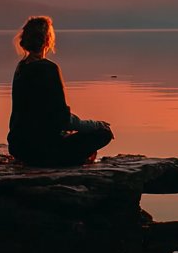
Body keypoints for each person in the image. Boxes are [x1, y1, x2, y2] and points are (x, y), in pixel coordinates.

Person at [8, 16, 113, 166]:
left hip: (19, 147)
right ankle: (70, 160)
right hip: (42, 150)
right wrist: (95, 124)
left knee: (66, 134)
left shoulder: (21, 67)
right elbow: (63, 119)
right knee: (104, 133)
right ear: (48, 40)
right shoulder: (48, 68)